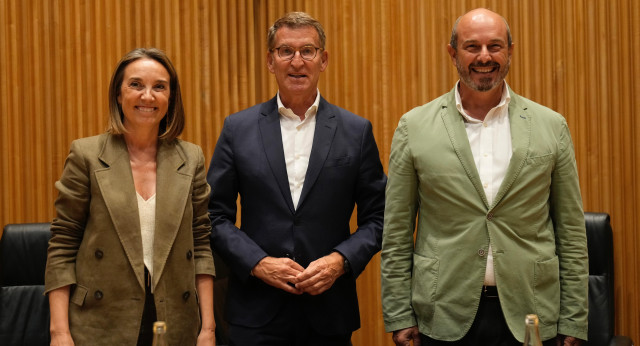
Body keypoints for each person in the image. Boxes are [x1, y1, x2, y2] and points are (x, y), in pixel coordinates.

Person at [381, 8, 588, 346]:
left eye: (495, 46)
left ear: (510, 51)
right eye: (472, 46)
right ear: (453, 53)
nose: (484, 56)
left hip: (532, 310)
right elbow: (397, 231)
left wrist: (575, 319)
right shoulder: (414, 127)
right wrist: (399, 314)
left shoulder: (551, 126)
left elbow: (571, 232)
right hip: (442, 311)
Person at [207, 11, 386, 345]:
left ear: (324, 60)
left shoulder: (356, 131)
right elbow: (213, 215)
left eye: (308, 50)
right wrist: (257, 262)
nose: (297, 61)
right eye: (285, 51)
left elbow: (379, 217)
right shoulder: (238, 128)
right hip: (256, 313)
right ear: (270, 61)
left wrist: (340, 261)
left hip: (329, 313)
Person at [44, 48, 216, 345]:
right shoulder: (87, 155)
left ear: (170, 98)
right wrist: (59, 332)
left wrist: (208, 329)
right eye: (136, 85)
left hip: (174, 321)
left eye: (159, 87)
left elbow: (200, 244)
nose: (147, 96)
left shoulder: (191, 158)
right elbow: (63, 243)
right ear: (118, 94)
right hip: (100, 322)